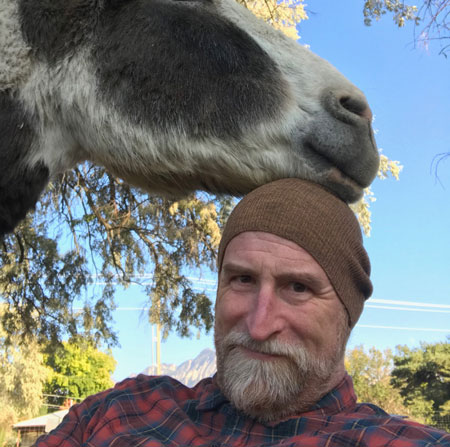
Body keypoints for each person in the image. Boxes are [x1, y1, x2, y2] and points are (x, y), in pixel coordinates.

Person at [35, 179, 450, 446]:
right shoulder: (119, 411)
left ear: (347, 313)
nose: (259, 323)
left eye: (298, 287)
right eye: (243, 280)